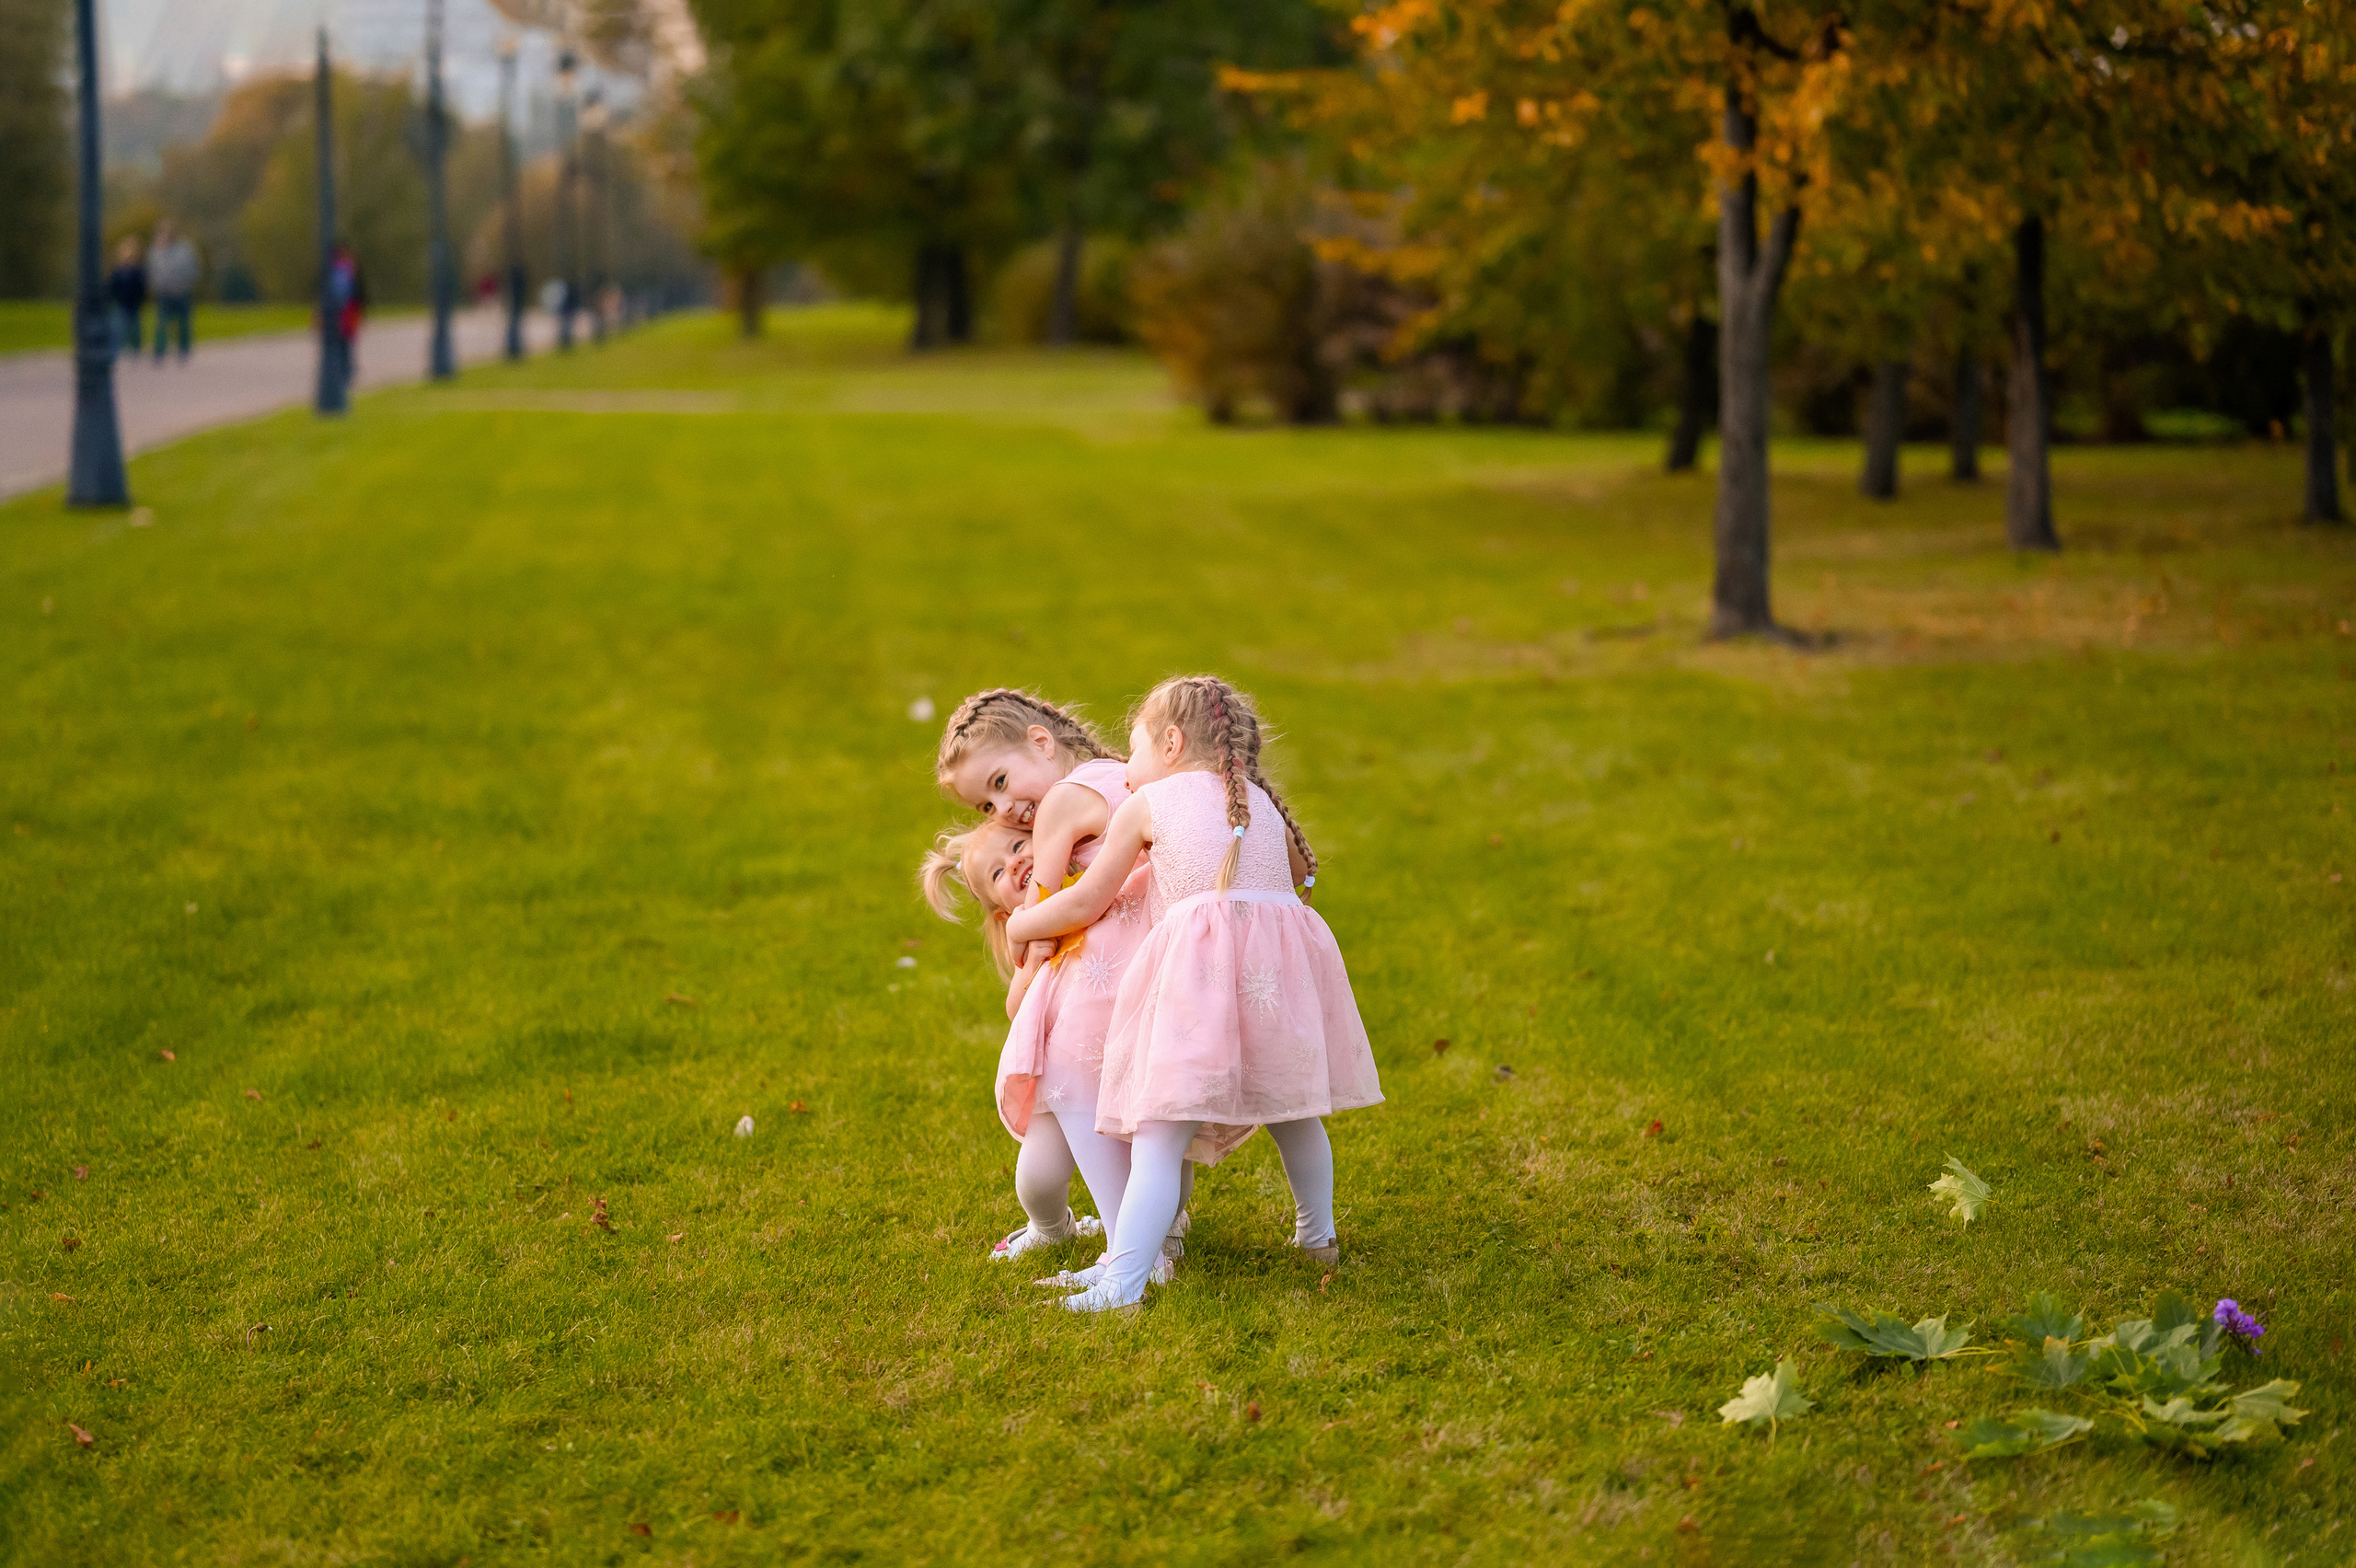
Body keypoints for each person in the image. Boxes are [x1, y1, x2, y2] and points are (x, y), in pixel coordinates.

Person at [1007, 675, 1383, 1313]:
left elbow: (1088, 898)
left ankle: (1121, 1284)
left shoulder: (1148, 805)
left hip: (1198, 983)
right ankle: (1317, 1237)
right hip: (1276, 978)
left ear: (1172, 743)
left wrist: (1023, 923)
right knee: (1294, 1113)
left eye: (1135, 749)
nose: (1128, 768)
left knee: (1158, 1132)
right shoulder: (1257, 803)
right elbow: (1296, 877)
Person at [926, 689, 1191, 1274]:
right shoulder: (1119, 779)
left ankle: (1139, 1248)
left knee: (1127, 1113)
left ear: (1041, 742)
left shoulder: (1070, 801)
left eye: (1000, 781)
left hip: (1108, 993)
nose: (1001, 809)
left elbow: (1045, 919)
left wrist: (1025, 938)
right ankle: (1149, 1228)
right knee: (1147, 1116)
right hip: (1138, 976)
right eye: (985, 806)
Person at [147, 220, 200, 362]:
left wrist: (186, 283)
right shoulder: (156, 251)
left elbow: (191, 268)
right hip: (164, 292)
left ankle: (184, 350)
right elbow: (153, 272)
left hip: (181, 291)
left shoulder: (184, 249)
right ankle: (159, 352)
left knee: (183, 323)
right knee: (162, 323)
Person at [105, 238, 146, 362]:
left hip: (134, 305)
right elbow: (111, 289)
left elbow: (141, 291)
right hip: (121, 305)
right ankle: (113, 353)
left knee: (135, 331)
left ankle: (135, 351)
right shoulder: (117, 273)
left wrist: (141, 305)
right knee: (117, 330)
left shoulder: (137, 273)